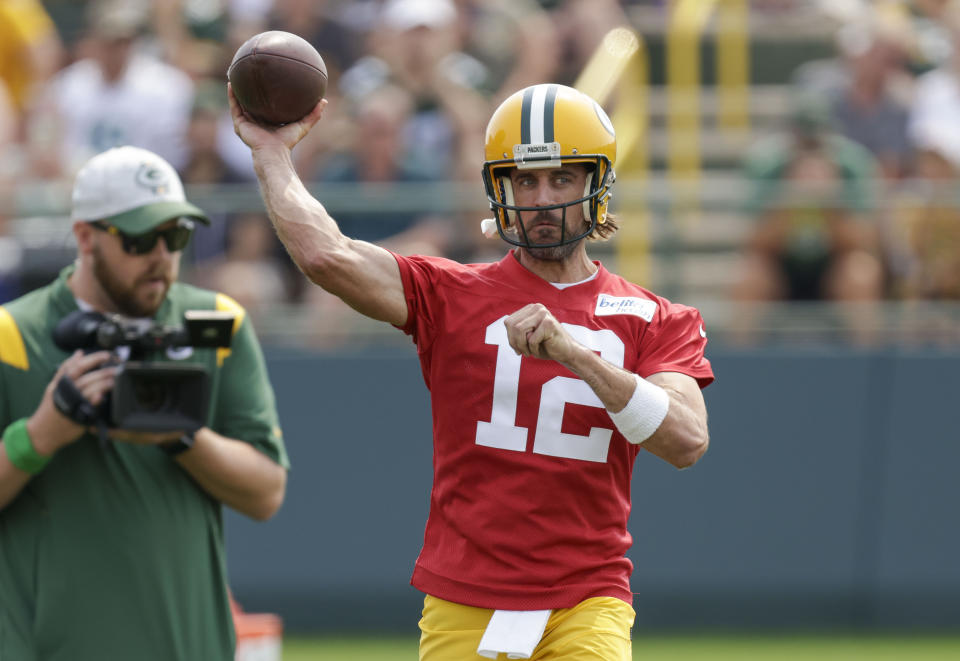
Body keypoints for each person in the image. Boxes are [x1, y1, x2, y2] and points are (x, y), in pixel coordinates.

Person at [231, 81, 713, 660]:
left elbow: (686, 440)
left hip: (588, 598)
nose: (541, 198)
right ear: (498, 188)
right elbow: (326, 255)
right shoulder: (452, 292)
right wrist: (270, 154)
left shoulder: (654, 316)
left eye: (561, 178)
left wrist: (575, 355)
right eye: (525, 180)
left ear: (597, 184)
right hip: (464, 598)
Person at [0, 145, 289, 660]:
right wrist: (41, 434)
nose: (162, 256)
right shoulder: (12, 335)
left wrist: (180, 434)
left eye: (175, 235)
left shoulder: (218, 326)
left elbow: (266, 492)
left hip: (187, 645)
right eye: (140, 239)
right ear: (85, 237)